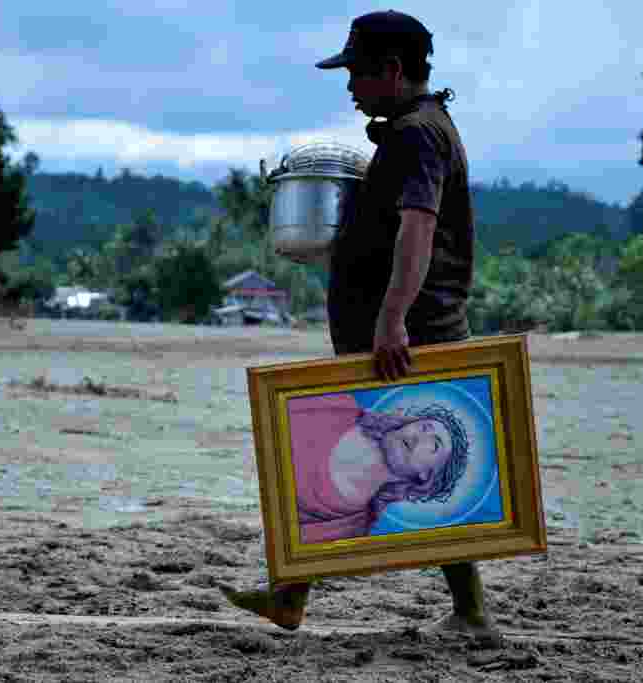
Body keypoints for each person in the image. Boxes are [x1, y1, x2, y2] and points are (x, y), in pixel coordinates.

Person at [221, 10, 498, 640]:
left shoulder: (418, 135)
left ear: (392, 71)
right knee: (338, 447)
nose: (349, 88)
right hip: (394, 327)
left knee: (376, 449)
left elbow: (419, 226)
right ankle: (290, 595)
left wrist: (393, 318)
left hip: (411, 330)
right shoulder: (412, 129)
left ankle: (473, 613)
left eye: (357, 74)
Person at [288, 392, 470, 543]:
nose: (418, 438)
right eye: (424, 427)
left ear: (425, 476)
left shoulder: (349, 526)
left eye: (434, 445)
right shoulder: (336, 405)